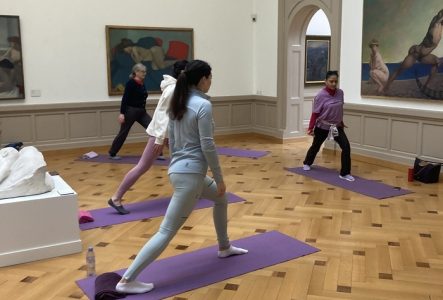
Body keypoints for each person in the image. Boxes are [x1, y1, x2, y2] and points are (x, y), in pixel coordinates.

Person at [114, 60, 248, 294]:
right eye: (210, 77)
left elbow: (172, 140)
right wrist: (220, 177)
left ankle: (224, 247)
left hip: (180, 172)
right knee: (166, 231)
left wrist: (177, 165)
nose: (211, 81)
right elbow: (208, 145)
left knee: (221, 199)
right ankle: (127, 280)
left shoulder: (179, 101)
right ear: (203, 79)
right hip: (191, 176)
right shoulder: (202, 106)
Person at [107, 60, 188, 214]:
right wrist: (159, 139)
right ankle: (116, 198)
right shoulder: (174, 90)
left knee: (183, 161)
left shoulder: (177, 88)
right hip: (160, 134)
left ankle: (191, 192)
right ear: (183, 73)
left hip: (167, 134)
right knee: (143, 166)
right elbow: (164, 115)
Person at [303, 70, 354, 182]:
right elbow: (315, 113)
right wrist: (310, 128)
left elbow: (339, 109)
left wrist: (341, 121)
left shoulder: (340, 93)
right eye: (331, 81)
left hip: (336, 127)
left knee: (346, 147)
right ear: (325, 81)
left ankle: (345, 173)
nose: (334, 84)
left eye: (336, 81)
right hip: (322, 126)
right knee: (316, 146)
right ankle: (307, 162)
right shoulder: (320, 96)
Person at [383, 8, 443, 92]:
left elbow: (438, 17)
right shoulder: (436, 25)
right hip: (416, 53)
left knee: (437, 61)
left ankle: (426, 86)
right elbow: (439, 18)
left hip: (421, 55)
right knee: (400, 70)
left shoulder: (438, 25)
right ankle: (386, 86)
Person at [108, 63, 152, 159]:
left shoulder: (142, 83)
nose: (145, 73)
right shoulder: (131, 83)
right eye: (143, 72)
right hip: (131, 111)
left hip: (141, 112)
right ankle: (112, 153)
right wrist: (122, 113)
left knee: (153, 128)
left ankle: (157, 153)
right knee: (123, 132)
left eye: (145, 72)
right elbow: (125, 99)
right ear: (136, 72)